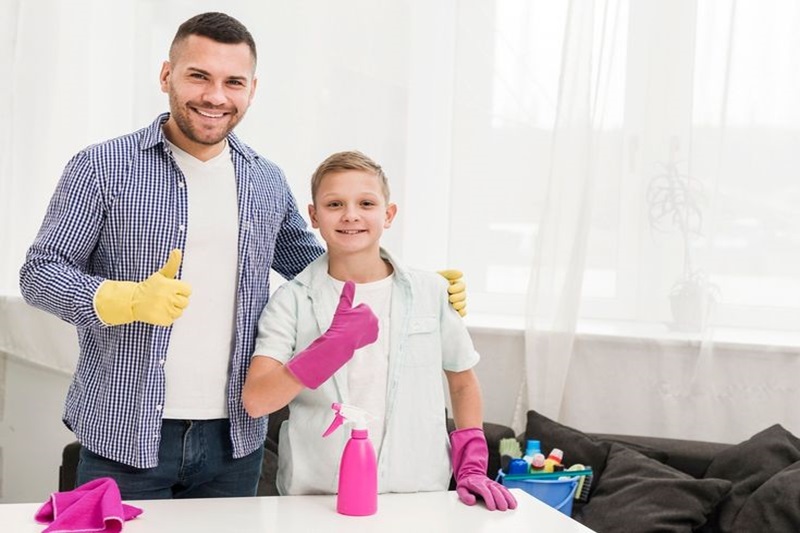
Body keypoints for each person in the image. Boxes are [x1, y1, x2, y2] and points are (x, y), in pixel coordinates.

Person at [18, 13, 465, 500]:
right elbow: (40, 272)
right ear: (167, 75)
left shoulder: (265, 180)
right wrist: (117, 299)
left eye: (233, 82)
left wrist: (404, 286)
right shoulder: (101, 167)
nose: (215, 96)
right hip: (124, 430)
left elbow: (316, 267)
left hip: (235, 439)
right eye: (199, 76)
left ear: (252, 90)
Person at [242, 151, 516, 511]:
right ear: (313, 216)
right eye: (334, 203)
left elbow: (462, 380)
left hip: (419, 494)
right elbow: (257, 400)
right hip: (316, 500)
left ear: (388, 215)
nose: (351, 214)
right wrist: (325, 351)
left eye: (366, 203)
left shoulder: (429, 292)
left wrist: (473, 464)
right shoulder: (291, 301)